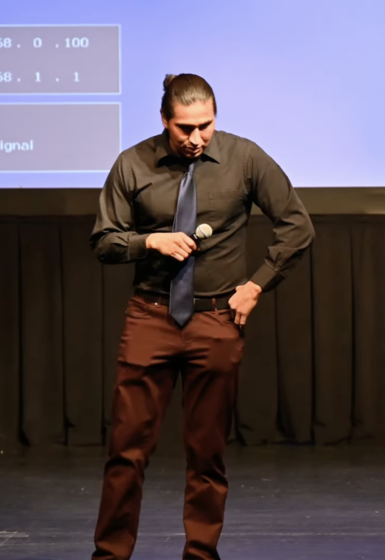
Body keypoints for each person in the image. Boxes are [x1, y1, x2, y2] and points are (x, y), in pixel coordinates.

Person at [89, 73, 314, 560]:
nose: (195, 139)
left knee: (207, 454)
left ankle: (201, 555)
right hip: (150, 317)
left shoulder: (244, 158)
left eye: (205, 127)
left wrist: (255, 286)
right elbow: (103, 240)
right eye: (184, 128)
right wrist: (150, 240)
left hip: (215, 321)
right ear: (165, 120)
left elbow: (298, 227)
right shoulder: (133, 164)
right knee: (126, 452)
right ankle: (109, 555)